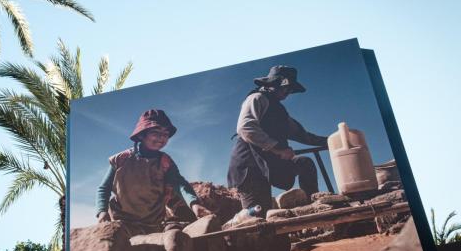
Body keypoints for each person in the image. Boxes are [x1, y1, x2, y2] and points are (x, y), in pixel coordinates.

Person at [226, 65, 328, 228]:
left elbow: (302, 134)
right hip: (249, 168)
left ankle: (314, 206)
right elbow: (246, 128)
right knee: (258, 218)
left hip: (268, 166)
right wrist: (277, 149)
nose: (288, 92)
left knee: (304, 163)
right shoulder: (257, 98)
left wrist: (330, 141)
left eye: (290, 89)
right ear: (274, 83)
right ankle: (232, 226)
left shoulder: (280, 112)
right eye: (286, 88)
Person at [96, 109, 211, 234]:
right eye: (156, 132)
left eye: (166, 134)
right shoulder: (121, 160)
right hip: (122, 221)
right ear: (141, 135)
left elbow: (179, 183)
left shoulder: (165, 162)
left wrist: (194, 203)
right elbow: (104, 188)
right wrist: (102, 211)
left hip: (152, 223)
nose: (162, 138)